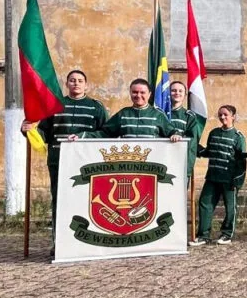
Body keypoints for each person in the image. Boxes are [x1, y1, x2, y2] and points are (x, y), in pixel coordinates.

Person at [21, 69, 108, 248]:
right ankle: (59, 243)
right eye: (72, 80)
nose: (76, 83)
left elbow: (105, 132)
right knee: (60, 200)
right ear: (67, 84)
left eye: (80, 80)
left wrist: (85, 136)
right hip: (58, 160)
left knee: (87, 200)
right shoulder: (55, 106)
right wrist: (28, 130)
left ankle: (87, 242)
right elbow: (44, 133)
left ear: (86, 84)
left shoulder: (96, 107)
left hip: (87, 163)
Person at [190, 105, 247, 246]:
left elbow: (241, 162)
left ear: (233, 116)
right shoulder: (214, 133)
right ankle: (203, 235)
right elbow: (210, 152)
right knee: (205, 203)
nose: (222, 117)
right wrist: (193, 146)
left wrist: (237, 181)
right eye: (220, 115)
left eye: (225, 115)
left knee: (230, 207)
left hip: (229, 179)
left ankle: (227, 234)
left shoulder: (238, 137)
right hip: (212, 177)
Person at [75, 78, 181, 141]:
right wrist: (81, 136)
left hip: (151, 165)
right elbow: (104, 133)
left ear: (149, 94)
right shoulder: (123, 114)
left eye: (142, 92)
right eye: (135, 92)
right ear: (130, 93)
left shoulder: (158, 115)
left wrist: (176, 135)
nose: (138, 95)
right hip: (128, 164)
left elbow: (172, 132)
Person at [170, 81, 204, 187]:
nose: (177, 93)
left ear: (185, 95)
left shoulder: (189, 116)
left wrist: (187, 167)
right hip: (162, 161)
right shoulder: (160, 114)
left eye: (180, 91)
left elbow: (192, 143)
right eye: (173, 90)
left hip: (180, 163)